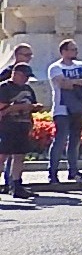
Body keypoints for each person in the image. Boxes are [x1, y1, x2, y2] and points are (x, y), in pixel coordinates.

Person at [46, 39, 82, 185]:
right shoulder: (55, 67)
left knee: (75, 140)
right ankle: (52, 172)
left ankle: (73, 170)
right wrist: (78, 81)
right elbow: (62, 84)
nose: (75, 52)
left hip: (79, 107)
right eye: (72, 49)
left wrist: (71, 81)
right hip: (61, 108)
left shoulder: (81, 65)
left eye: (76, 50)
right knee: (60, 139)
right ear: (64, 51)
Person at [0, 62, 38, 201]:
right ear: (15, 74)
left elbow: (31, 105)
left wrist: (32, 110)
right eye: (24, 76)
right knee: (2, 157)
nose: (26, 79)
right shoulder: (4, 88)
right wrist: (20, 107)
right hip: (6, 126)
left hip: (23, 125)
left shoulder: (28, 89)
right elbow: (3, 109)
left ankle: (17, 185)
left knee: (19, 156)